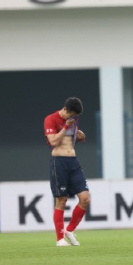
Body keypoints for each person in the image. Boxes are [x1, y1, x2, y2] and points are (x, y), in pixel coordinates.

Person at [43, 97, 91, 247]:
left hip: (73, 161)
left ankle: (69, 230)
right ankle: (60, 239)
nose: (73, 118)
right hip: (59, 162)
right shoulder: (50, 119)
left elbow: (69, 141)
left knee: (85, 198)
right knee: (61, 200)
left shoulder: (73, 120)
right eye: (71, 115)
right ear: (65, 109)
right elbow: (53, 142)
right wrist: (65, 127)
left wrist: (79, 137)